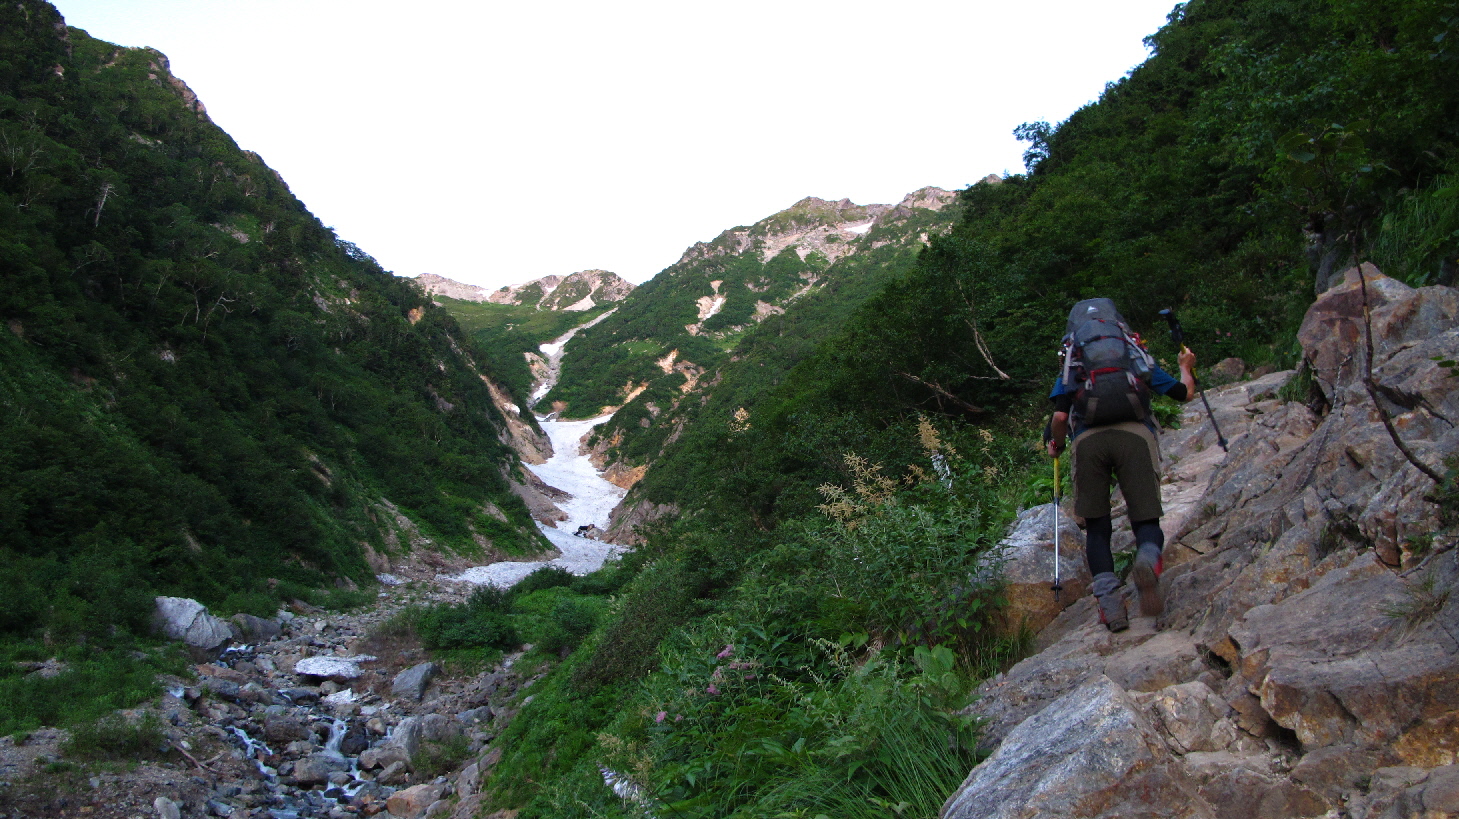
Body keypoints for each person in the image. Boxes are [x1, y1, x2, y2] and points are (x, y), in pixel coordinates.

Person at [1046, 300, 1196, 632]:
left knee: (1097, 527)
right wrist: (1186, 366)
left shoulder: (1074, 360)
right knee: (1146, 519)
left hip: (1088, 443)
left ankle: (1111, 607)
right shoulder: (1131, 353)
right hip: (1136, 437)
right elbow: (1182, 393)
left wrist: (1056, 443)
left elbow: (1059, 417)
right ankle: (1147, 561)